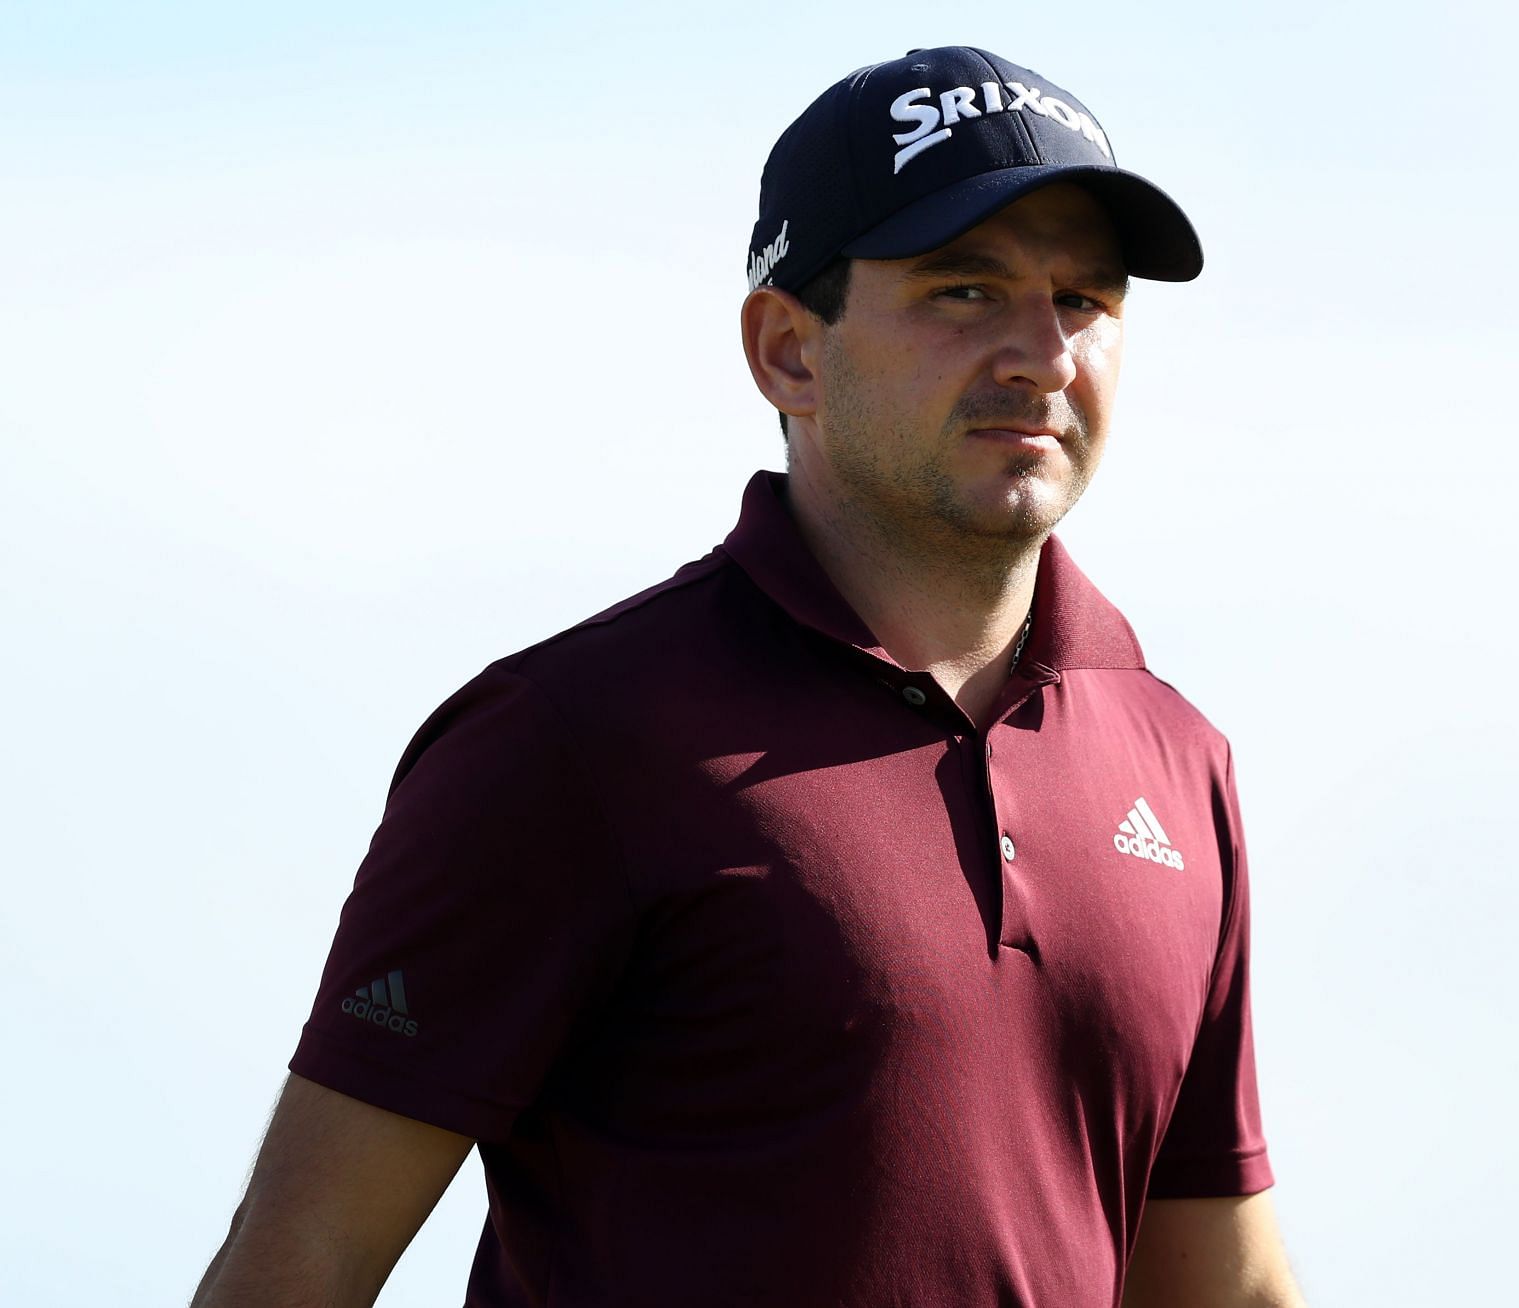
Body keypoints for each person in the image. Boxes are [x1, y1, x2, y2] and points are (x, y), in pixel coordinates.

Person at [193, 45, 1307, 1308]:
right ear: (787, 352)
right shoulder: (570, 738)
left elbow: (1226, 1288)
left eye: (1086, 298)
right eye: (961, 290)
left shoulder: (1176, 760)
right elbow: (297, 1271)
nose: (1043, 351)